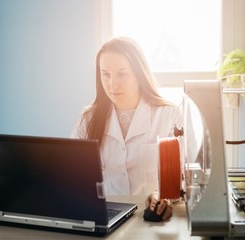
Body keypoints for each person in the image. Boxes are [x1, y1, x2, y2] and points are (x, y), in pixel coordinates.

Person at [71, 37, 182, 220]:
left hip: (151, 218)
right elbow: (71, 175)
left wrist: (161, 196)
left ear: (139, 73)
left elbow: (184, 179)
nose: (113, 84)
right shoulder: (87, 119)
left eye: (122, 74)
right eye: (105, 74)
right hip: (103, 217)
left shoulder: (170, 116)